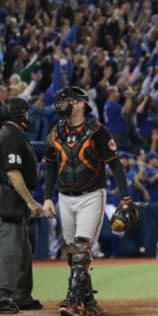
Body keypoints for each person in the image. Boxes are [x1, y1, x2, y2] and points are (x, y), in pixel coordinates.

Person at [42, 86, 132, 316]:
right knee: (74, 255)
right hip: (64, 197)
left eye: (68, 100)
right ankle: (90, 303)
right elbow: (50, 165)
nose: (62, 104)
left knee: (81, 249)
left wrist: (125, 196)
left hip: (91, 195)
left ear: (82, 104)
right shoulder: (55, 132)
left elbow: (115, 163)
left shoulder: (97, 130)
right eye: (61, 100)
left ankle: (72, 301)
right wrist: (47, 198)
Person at [0, 98, 44, 314]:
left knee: (22, 249)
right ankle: (2, 297)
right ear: (18, 114)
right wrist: (30, 201)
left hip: (13, 199)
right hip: (8, 198)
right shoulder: (11, 135)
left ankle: (21, 295)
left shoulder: (12, 133)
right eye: (26, 112)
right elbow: (13, 173)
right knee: (10, 250)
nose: (29, 116)